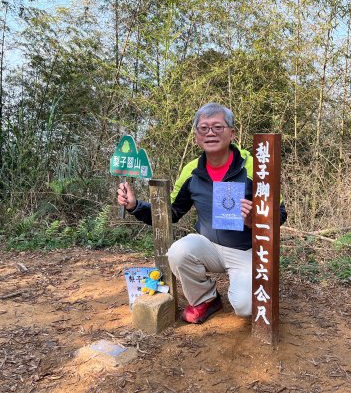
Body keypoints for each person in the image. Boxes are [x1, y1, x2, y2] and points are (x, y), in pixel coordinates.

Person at [117, 103, 287, 324]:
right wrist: (135, 206)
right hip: (208, 247)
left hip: (246, 250)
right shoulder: (192, 171)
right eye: (203, 128)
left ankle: (247, 287)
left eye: (218, 127)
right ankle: (206, 299)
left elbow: (280, 213)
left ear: (232, 133)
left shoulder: (256, 167)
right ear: (196, 135)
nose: (210, 133)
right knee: (178, 251)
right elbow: (171, 213)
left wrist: (255, 220)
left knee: (245, 306)